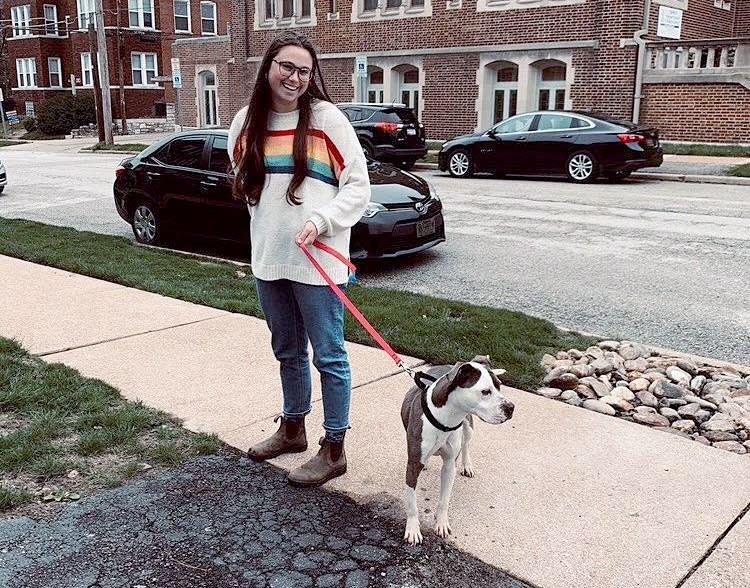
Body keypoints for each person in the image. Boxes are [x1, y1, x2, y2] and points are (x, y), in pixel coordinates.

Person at [227, 31, 370, 487]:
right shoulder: (246, 122)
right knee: (287, 351)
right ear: (268, 67)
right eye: (286, 67)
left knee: (329, 356)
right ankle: (293, 429)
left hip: (318, 262)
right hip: (270, 260)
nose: (294, 77)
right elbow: (249, 189)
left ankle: (335, 448)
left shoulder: (328, 120)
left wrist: (323, 220)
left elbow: (358, 187)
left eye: (304, 70)